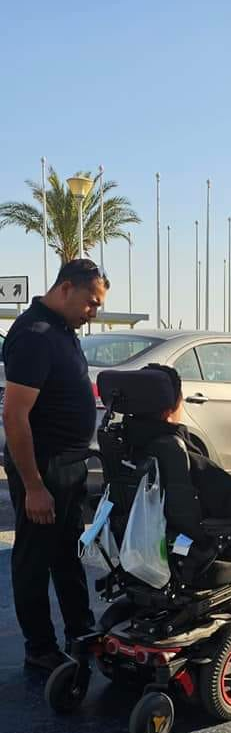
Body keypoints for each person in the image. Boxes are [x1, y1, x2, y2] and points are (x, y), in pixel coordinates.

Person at [2, 259, 108, 671]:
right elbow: (14, 416)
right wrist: (33, 486)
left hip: (69, 464)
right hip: (44, 467)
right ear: (66, 288)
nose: (93, 312)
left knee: (66, 552)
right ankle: (40, 648)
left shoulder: (62, 330)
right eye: (90, 303)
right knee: (33, 558)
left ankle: (79, 629)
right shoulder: (35, 334)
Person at [122, 364, 231, 548]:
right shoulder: (176, 452)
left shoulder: (123, 443)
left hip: (140, 538)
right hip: (193, 543)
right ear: (173, 405)